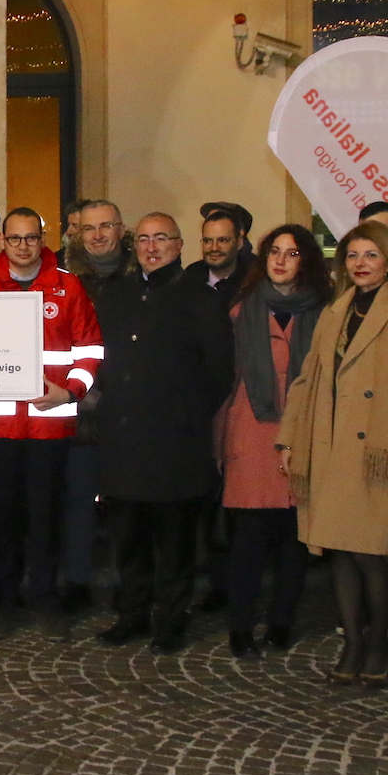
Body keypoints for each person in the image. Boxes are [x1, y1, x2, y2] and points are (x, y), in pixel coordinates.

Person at [278, 219, 388, 687]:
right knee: (337, 553)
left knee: (371, 555)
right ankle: (352, 640)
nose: (360, 264)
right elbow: (307, 380)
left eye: (371, 255)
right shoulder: (336, 311)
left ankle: (376, 643)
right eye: (353, 256)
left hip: (380, 453)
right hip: (329, 448)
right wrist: (291, 440)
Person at [94, 212, 233, 654]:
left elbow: (219, 374)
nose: (152, 247)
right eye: (145, 239)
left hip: (176, 444)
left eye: (162, 239)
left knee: (175, 544)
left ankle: (171, 620)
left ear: (179, 245)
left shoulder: (201, 299)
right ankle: (132, 614)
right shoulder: (114, 295)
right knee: (128, 540)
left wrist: (183, 412)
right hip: (123, 439)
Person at [0, 208, 101, 638]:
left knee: (46, 518)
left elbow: (91, 348)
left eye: (31, 238)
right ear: (2, 241)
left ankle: (45, 599)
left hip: (49, 426)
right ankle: (3, 602)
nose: (23, 246)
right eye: (15, 238)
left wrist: (71, 392)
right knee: (1, 520)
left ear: (41, 239)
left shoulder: (68, 286)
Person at [216, 225, 330, 659]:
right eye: (274, 252)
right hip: (250, 430)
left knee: (293, 539)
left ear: (307, 261)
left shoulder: (325, 313)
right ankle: (240, 625)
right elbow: (227, 379)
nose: (281, 261)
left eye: (292, 253)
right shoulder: (240, 310)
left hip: (304, 431)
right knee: (247, 539)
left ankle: (282, 621)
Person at [58, 197, 137, 612]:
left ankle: (130, 585)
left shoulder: (143, 274)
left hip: (131, 412)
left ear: (121, 229)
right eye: (89, 229)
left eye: (106, 226)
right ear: (77, 233)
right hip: (80, 411)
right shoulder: (63, 280)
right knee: (78, 505)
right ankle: (76, 582)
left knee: (128, 505)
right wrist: (79, 391)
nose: (98, 235)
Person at [182, 205, 254, 614]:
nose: (213, 247)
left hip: (241, 401)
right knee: (202, 498)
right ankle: (208, 579)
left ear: (239, 242)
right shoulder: (188, 279)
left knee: (236, 499)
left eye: (222, 240)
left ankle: (233, 584)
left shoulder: (253, 282)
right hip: (195, 408)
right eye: (207, 240)